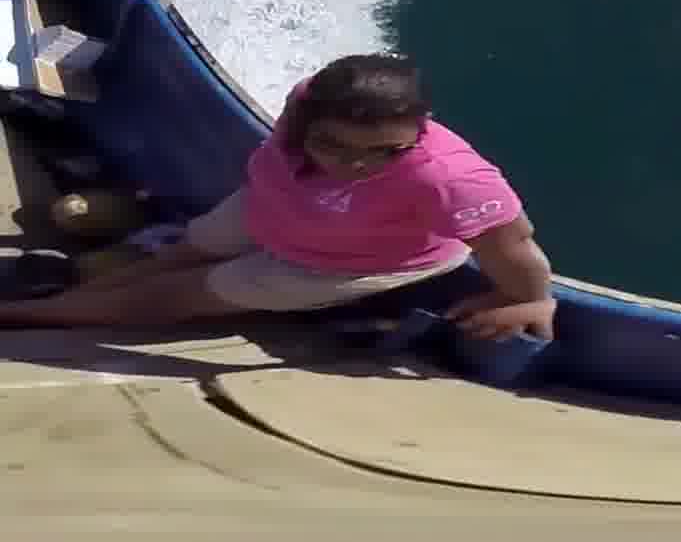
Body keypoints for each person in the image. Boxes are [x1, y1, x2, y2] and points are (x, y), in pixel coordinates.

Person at [0, 53, 556, 344]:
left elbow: (513, 246)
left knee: (170, 296)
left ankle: (26, 315)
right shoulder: (306, 96)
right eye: (333, 144)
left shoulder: (452, 179)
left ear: (421, 126)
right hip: (272, 204)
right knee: (182, 251)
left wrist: (532, 300)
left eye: (384, 152)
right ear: (307, 113)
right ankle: (84, 286)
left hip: (338, 261)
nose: (354, 164)